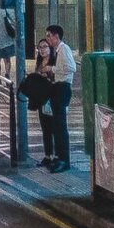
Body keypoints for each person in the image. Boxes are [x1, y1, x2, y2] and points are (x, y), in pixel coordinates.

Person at [37, 24, 77, 169]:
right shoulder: (58, 50)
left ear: (56, 36)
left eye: (49, 35)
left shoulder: (64, 49)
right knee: (56, 125)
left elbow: (72, 67)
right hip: (57, 87)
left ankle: (64, 160)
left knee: (60, 126)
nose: (47, 38)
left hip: (63, 87)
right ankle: (58, 158)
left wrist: (52, 68)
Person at [18, 58, 56, 163]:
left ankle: (56, 156)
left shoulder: (54, 61)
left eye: (45, 47)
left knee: (54, 128)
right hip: (41, 99)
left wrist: (51, 71)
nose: (42, 50)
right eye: (40, 47)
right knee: (45, 129)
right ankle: (48, 156)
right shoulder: (40, 62)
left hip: (51, 97)